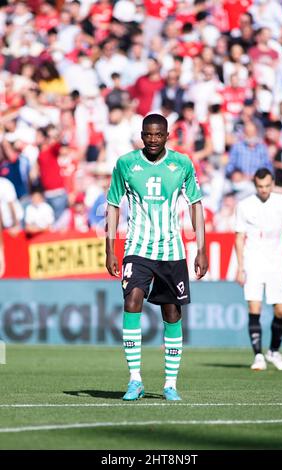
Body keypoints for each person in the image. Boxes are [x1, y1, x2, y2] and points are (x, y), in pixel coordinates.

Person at [105, 113, 208, 401]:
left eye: (158, 135)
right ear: (141, 135)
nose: (152, 140)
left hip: (172, 251)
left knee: (172, 313)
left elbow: (196, 205)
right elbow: (113, 205)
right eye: (148, 135)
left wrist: (201, 247)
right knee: (131, 301)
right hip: (137, 248)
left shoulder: (182, 164)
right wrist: (109, 247)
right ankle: (135, 379)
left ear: (166, 136)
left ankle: (170, 384)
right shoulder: (126, 164)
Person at [235, 168, 282, 371]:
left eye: (267, 186)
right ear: (255, 185)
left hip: (276, 261)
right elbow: (239, 237)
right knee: (255, 308)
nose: (264, 190)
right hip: (253, 261)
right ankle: (258, 355)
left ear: (272, 184)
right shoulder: (244, 205)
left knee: (281, 310)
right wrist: (241, 267)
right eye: (260, 186)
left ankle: (274, 351)